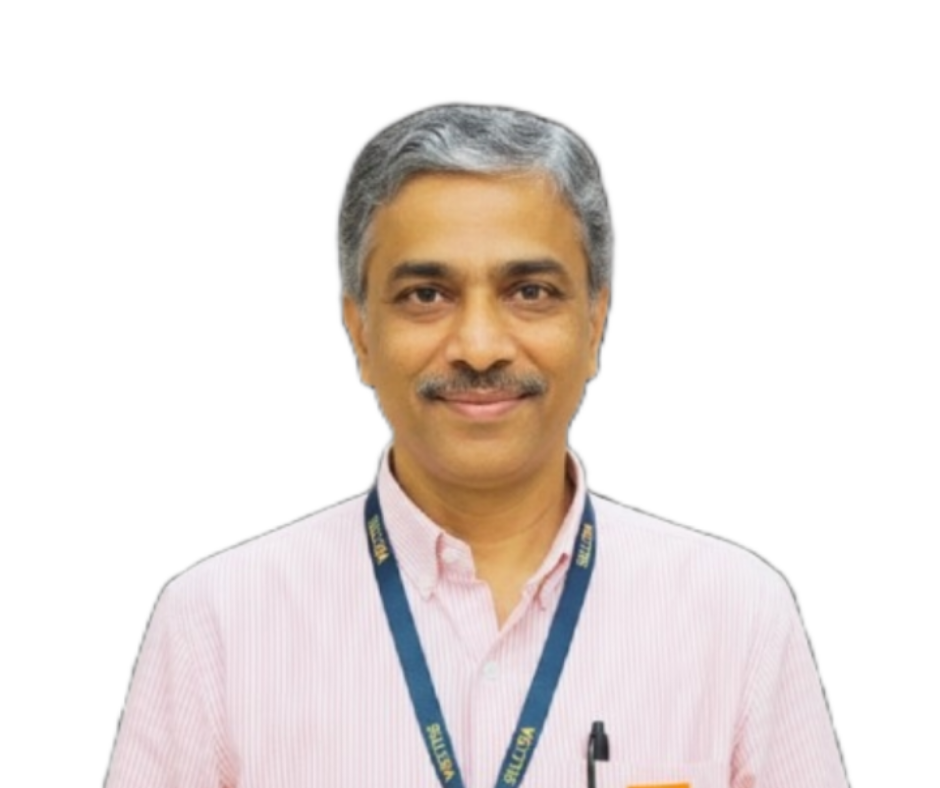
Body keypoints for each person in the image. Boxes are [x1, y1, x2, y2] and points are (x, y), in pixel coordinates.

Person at [105, 104, 849, 788]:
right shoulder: (216, 627)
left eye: (530, 291)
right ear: (360, 332)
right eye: (427, 295)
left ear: (595, 324)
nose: (481, 346)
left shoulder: (738, 618)